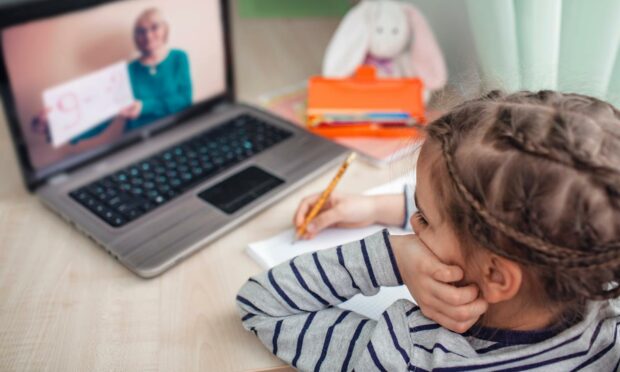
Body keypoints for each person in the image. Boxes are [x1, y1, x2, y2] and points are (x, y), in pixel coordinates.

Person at [236, 90, 620, 371]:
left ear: (495, 275)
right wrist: (377, 207)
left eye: (423, 217)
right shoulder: (605, 320)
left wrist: (391, 257)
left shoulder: (412, 355)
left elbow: (263, 306)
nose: (415, 226)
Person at [31, 7, 192, 151]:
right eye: (141, 31)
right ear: (136, 37)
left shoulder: (179, 58)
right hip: (138, 145)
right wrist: (58, 127)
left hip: (176, 136)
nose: (148, 35)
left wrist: (144, 107)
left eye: (154, 27)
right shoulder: (126, 71)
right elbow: (102, 117)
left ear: (165, 30)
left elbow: (184, 100)